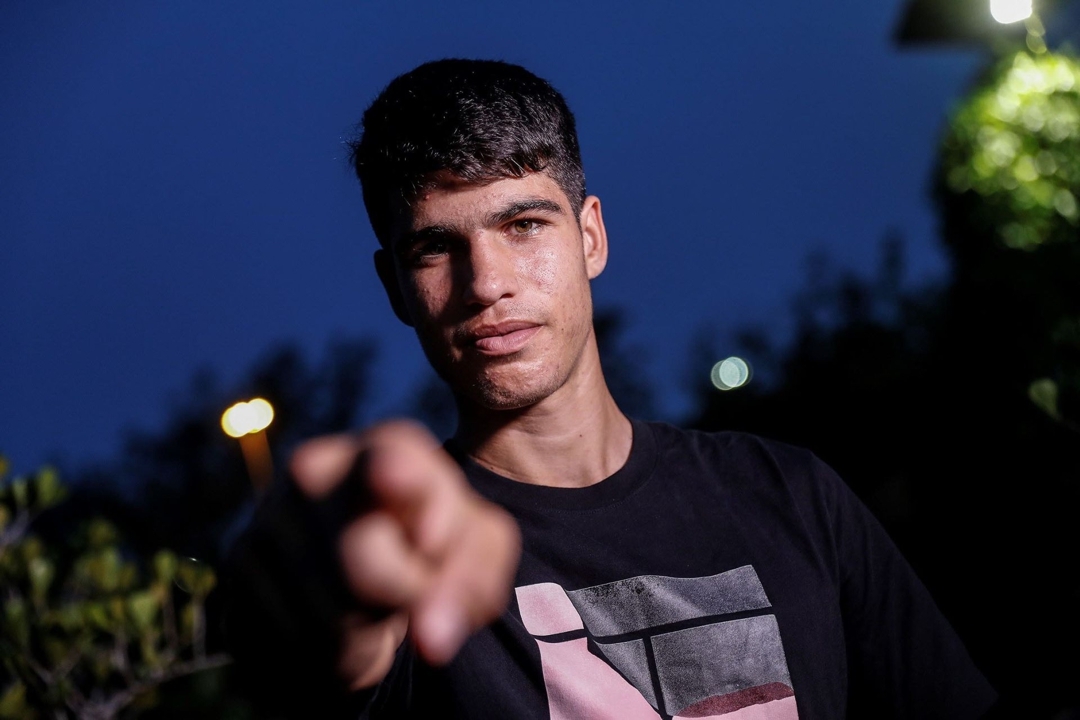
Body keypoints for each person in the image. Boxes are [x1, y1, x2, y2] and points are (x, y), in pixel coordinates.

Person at [221, 58, 998, 719]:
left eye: (523, 225)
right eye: (435, 248)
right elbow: (332, 655)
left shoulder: (790, 493)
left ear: (590, 236)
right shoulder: (415, 547)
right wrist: (327, 598)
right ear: (394, 286)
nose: (486, 283)